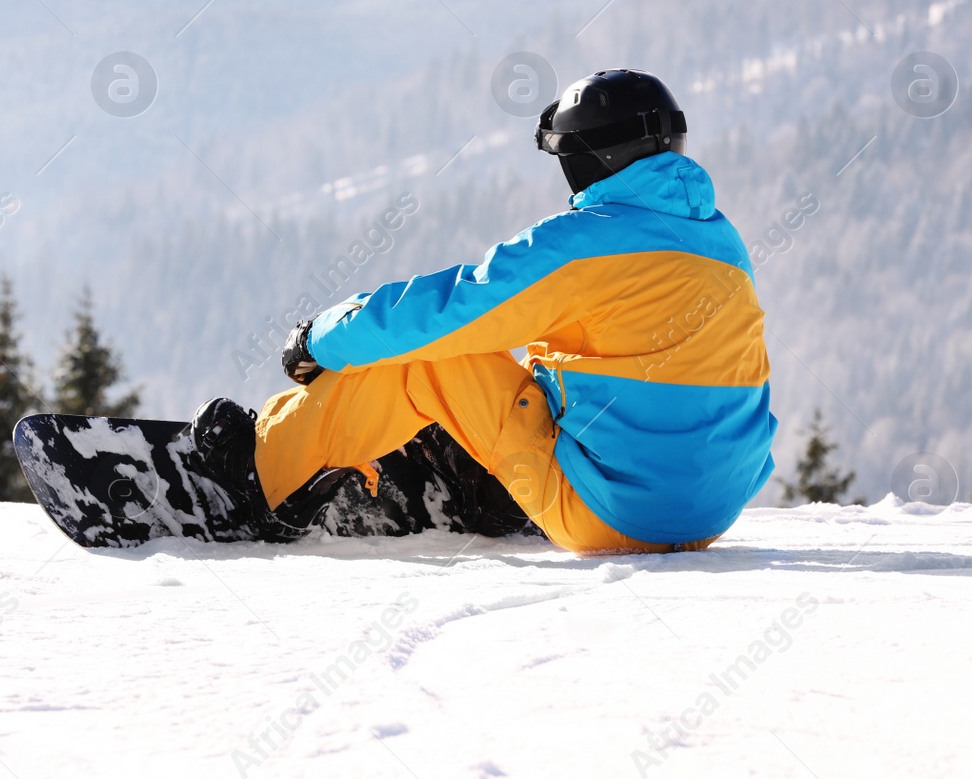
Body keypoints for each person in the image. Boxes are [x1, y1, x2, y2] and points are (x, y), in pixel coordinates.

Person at [193, 69, 777, 553]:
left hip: (612, 515)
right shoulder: (722, 243)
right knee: (588, 361)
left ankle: (265, 474)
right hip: (708, 515)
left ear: (589, 159)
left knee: (431, 357)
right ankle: (491, 487)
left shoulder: (583, 241)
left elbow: (449, 311)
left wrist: (319, 340)